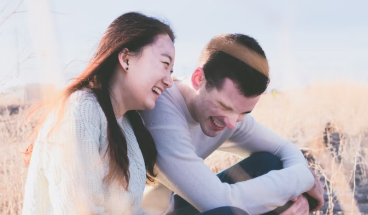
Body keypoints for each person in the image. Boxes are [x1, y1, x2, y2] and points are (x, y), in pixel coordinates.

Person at [139, 34, 324, 215]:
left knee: (270, 163)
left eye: (244, 112)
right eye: (224, 106)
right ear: (198, 79)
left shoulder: (229, 116)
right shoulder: (160, 112)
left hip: (172, 207)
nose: (231, 123)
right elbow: (220, 202)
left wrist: (299, 189)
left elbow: (283, 147)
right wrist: (302, 179)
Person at [22, 12, 175, 215]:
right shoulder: (80, 110)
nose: (169, 81)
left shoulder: (125, 123)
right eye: (165, 65)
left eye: (172, 71)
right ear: (126, 58)